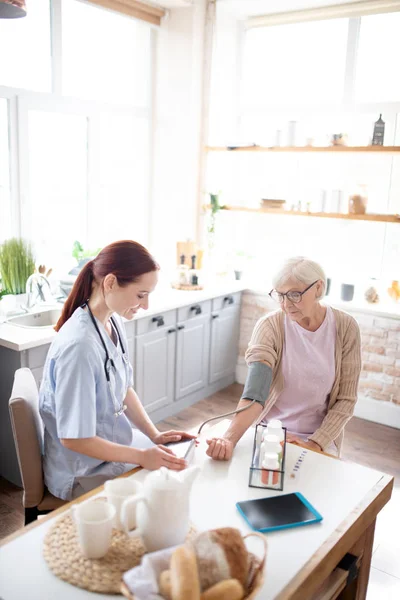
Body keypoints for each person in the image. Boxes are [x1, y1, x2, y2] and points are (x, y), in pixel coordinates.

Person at [39, 240, 195, 500]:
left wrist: (154, 435)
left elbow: (123, 388)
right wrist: (142, 456)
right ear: (110, 283)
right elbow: (74, 439)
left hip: (113, 448)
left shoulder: (112, 321)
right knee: (169, 487)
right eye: (140, 295)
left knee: (181, 464)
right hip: (82, 471)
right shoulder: (79, 347)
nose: (145, 306)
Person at [206, 257, 361, 460]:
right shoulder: (270, 327)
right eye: (280, 295)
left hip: (319, 437)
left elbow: (346, 399)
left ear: (318, 287)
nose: (286, 305)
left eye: (294, 295)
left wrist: (314, 443)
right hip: (272, 433)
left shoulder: (346, 327)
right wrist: (229, 439)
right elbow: (256, 391)